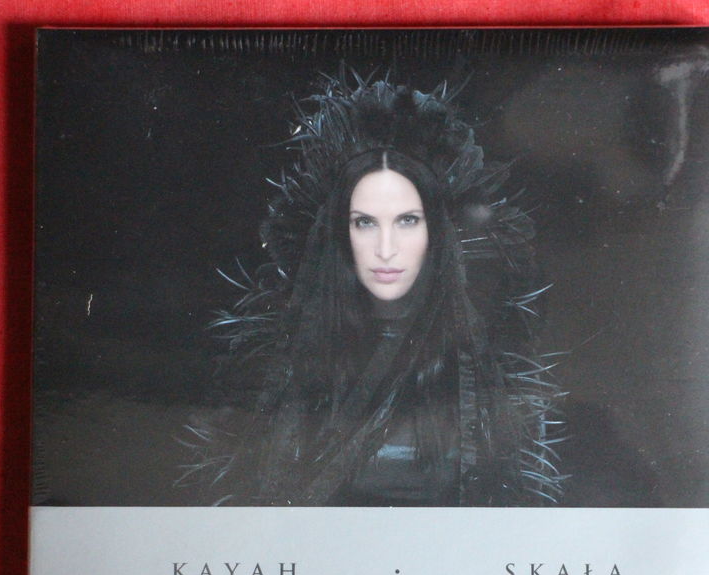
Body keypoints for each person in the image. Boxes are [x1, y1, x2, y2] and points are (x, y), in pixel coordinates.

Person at [181, 73, 567, 506]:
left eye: (407, 220)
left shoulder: (483, 369)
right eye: (365, 222)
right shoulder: (277, 370)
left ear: (437, 232)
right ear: (338, 232)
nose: (386, 249)